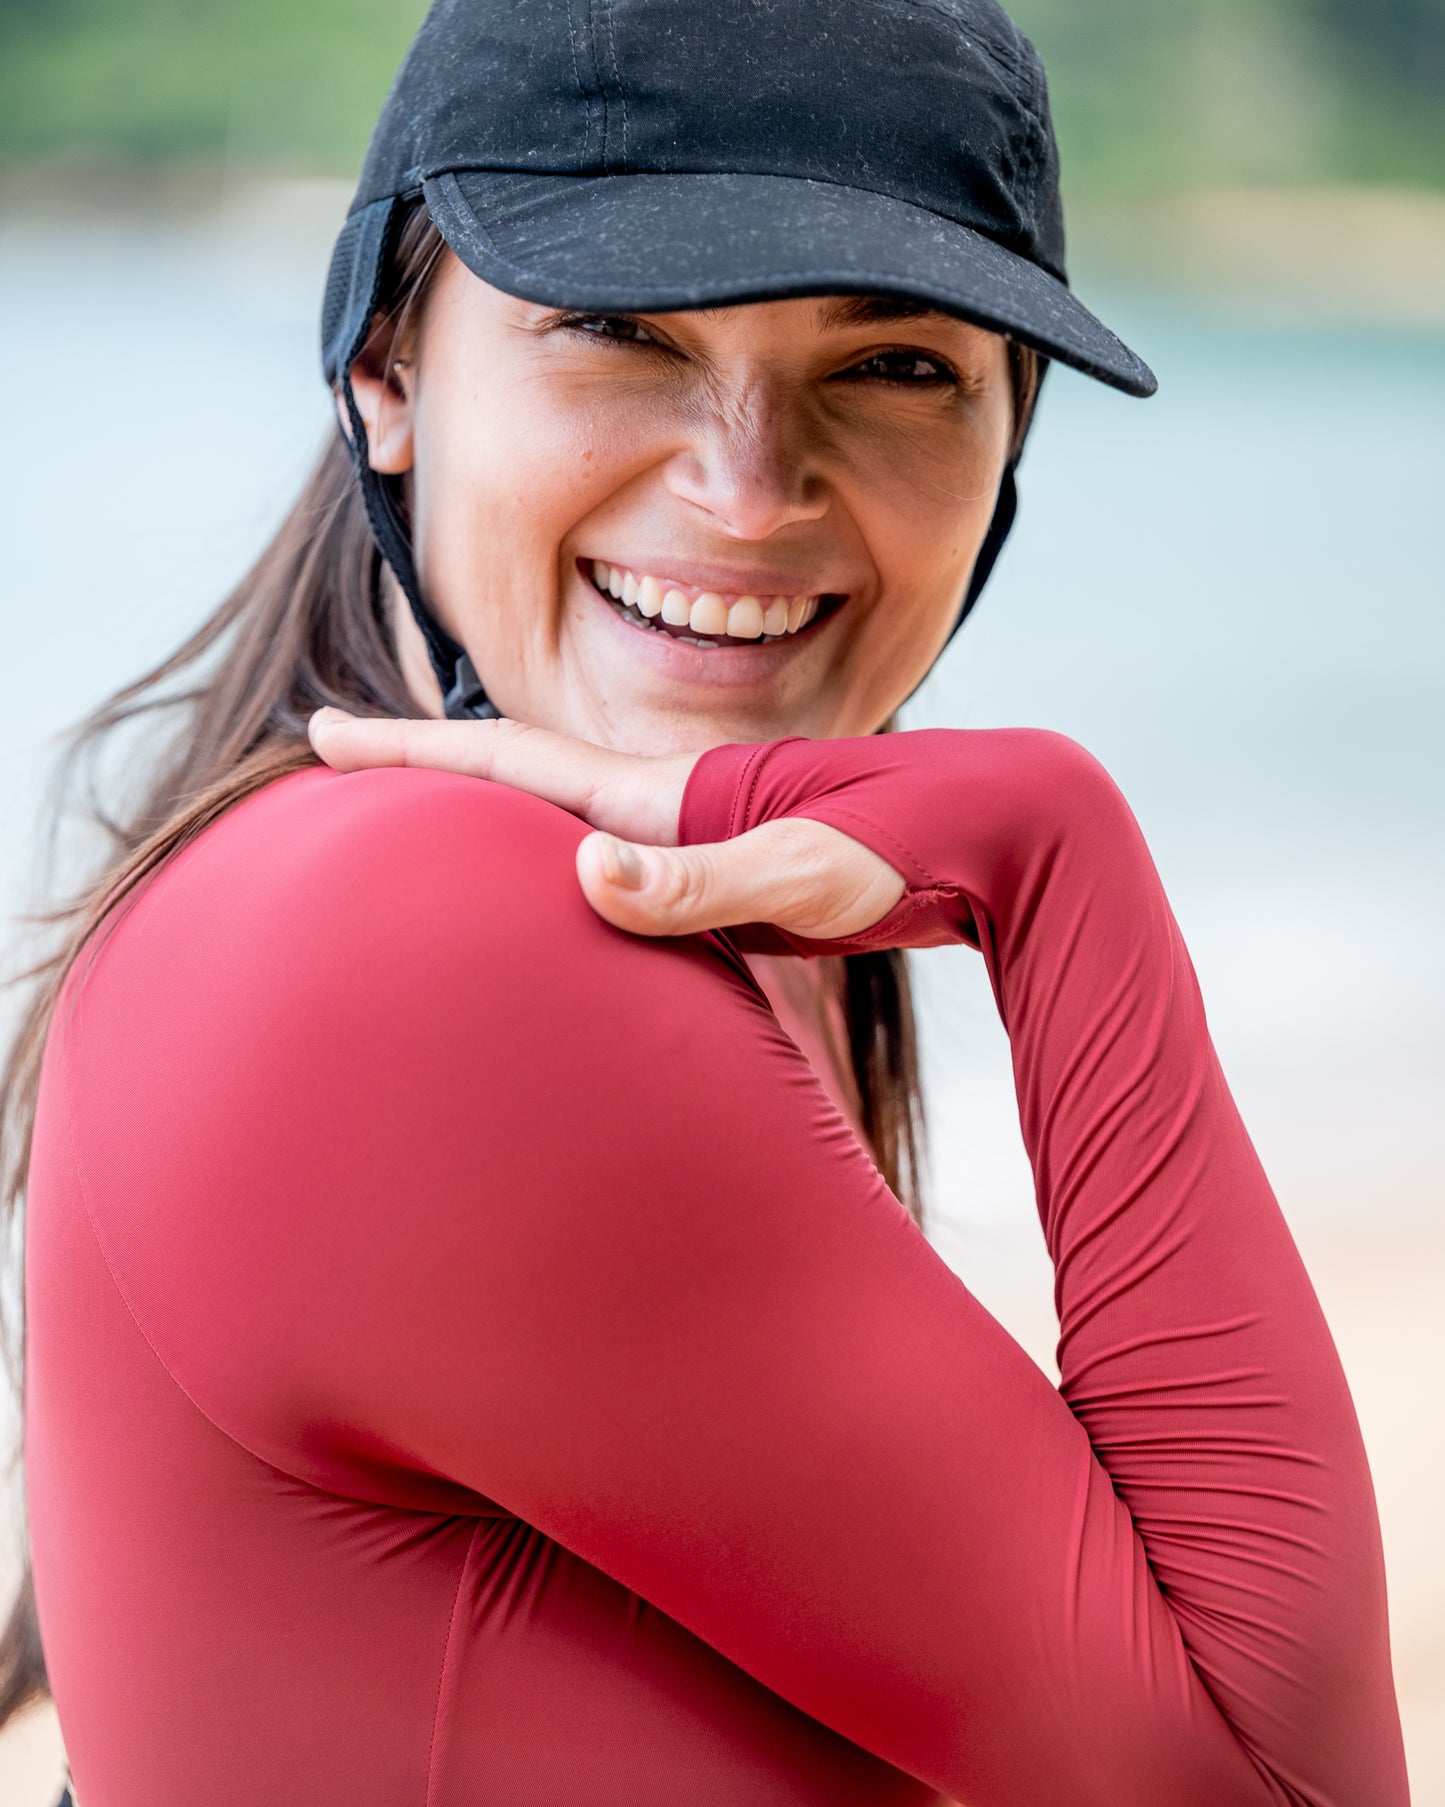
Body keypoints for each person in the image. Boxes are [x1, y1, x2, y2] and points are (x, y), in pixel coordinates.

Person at [0, 0, 1409, 1802]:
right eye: (615, 331)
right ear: (384, 372)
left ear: (1007, 447)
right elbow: (1271, 1786)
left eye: (895, 365)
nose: (747, 495)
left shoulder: (620, 921)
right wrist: (1055, 856)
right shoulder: (420, 937)